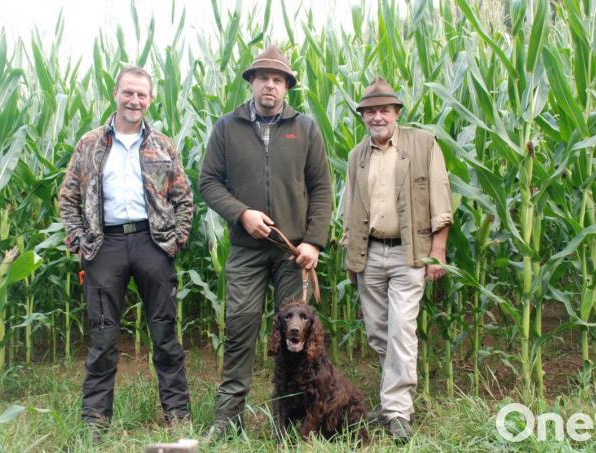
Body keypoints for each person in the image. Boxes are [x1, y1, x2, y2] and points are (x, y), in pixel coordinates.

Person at [199, 45, 333, 438]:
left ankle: (289, 421)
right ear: (252, 83)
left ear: (286, 87)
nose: (270, 86)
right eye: (263, 78)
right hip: (245, 250)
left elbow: (321, 187)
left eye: (278, 80)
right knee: (240, 328)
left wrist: (313, 242)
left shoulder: (305, 127)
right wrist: (242, 214)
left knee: (296, 339)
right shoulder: (228, 127)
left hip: (292, 254)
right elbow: (208, 182)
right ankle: (228, 419)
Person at [58, 66, 194, 439]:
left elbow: (185, 200)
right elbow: (68, 197)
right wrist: (79, 242)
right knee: (103, 337)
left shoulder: (163, 145)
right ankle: (95, 421)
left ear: (150, 100)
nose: (135, 101)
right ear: (115, 94)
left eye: (142, 95)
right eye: (128, 93)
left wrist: (175, 240)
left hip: (153, 244)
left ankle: (177, 413)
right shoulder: (90, 144)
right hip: (105, 247)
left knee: (165, 335)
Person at [342, 77, 453, 443]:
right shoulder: (357, 155)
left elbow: (440, 197)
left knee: (401, 329)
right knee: (378, 333)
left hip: (410, 253)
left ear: (396, 113)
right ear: (363, 117)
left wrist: (438, 251)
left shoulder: (423, 144)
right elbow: (350, 207)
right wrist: (348, 249)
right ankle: (395, 399)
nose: (377, 117)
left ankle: (396, 411)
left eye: (383, 110)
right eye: (370, 111)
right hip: (370, 252)